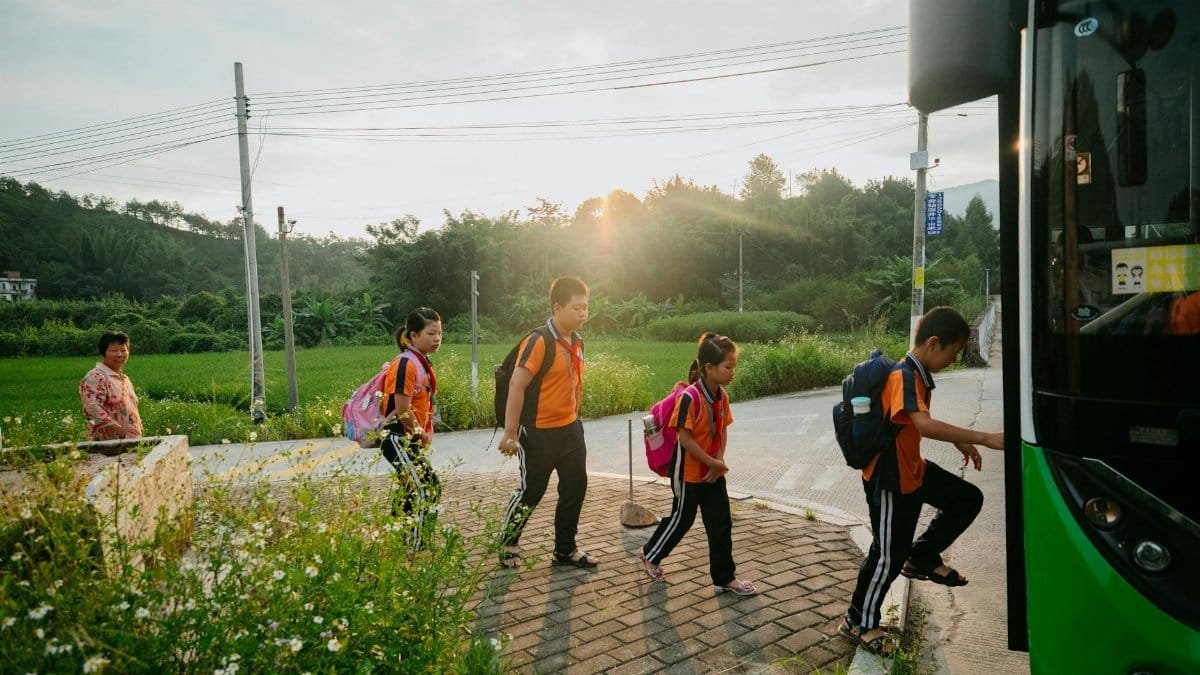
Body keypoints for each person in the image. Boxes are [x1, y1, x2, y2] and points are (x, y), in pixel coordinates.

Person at [841, 307, 1004, 656]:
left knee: (966, 498)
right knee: (887, 555)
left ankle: (924, 557)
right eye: (953, 352)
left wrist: (961, 440)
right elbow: (924, 424)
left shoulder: (916, 374)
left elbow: (917, 422)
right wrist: (985, 437)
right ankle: (858, 621)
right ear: (933, 343)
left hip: (911, 469)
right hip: (889, 478)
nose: (953, 359)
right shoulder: (904, 376)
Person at [639, 333, 758, 596]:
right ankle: (650, 553)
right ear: (709, 368)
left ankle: (724, 578)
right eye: (728, 367)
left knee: (721, 523)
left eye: (733, 366)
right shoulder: (690, 398)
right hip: (688, 473)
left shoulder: (722, 396)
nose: (732, 372)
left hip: (713, 472)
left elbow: (723, 430)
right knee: (683, 518)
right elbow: (685, 438)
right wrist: (712, 462)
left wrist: (719, 461)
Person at [498, 276, 597, 569]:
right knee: (532, 491)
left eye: (586, 308)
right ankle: (508, 543)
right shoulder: (539, 340)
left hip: (570, 429)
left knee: (575, 487)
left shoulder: (577, 341)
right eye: (576, 308)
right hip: (538, 433)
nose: (583, 314)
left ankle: (565, 550)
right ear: (557, 307)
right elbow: (517, 385)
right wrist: (511, 433)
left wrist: (574, 418)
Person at [380, 307, 443, 549]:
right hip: (397, 437)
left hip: (407, 437)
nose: (437, 339)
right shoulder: (406, 364)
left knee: (409, 488)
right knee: (428, 486)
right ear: (414, 336)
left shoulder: (420, 362)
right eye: (431, 333)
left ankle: (398, 540)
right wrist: (419, 433)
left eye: (439, 333)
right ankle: (418, 545)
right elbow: (403, 409)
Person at [79, 330, 144, 441]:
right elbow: (93, 409)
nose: (119, 354)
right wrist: (121, 431)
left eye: (123, 350)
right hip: (109, 445)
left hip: (131, 441)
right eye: (114, 350)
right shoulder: (96, 377)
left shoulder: (124, 378)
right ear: (103, 352)